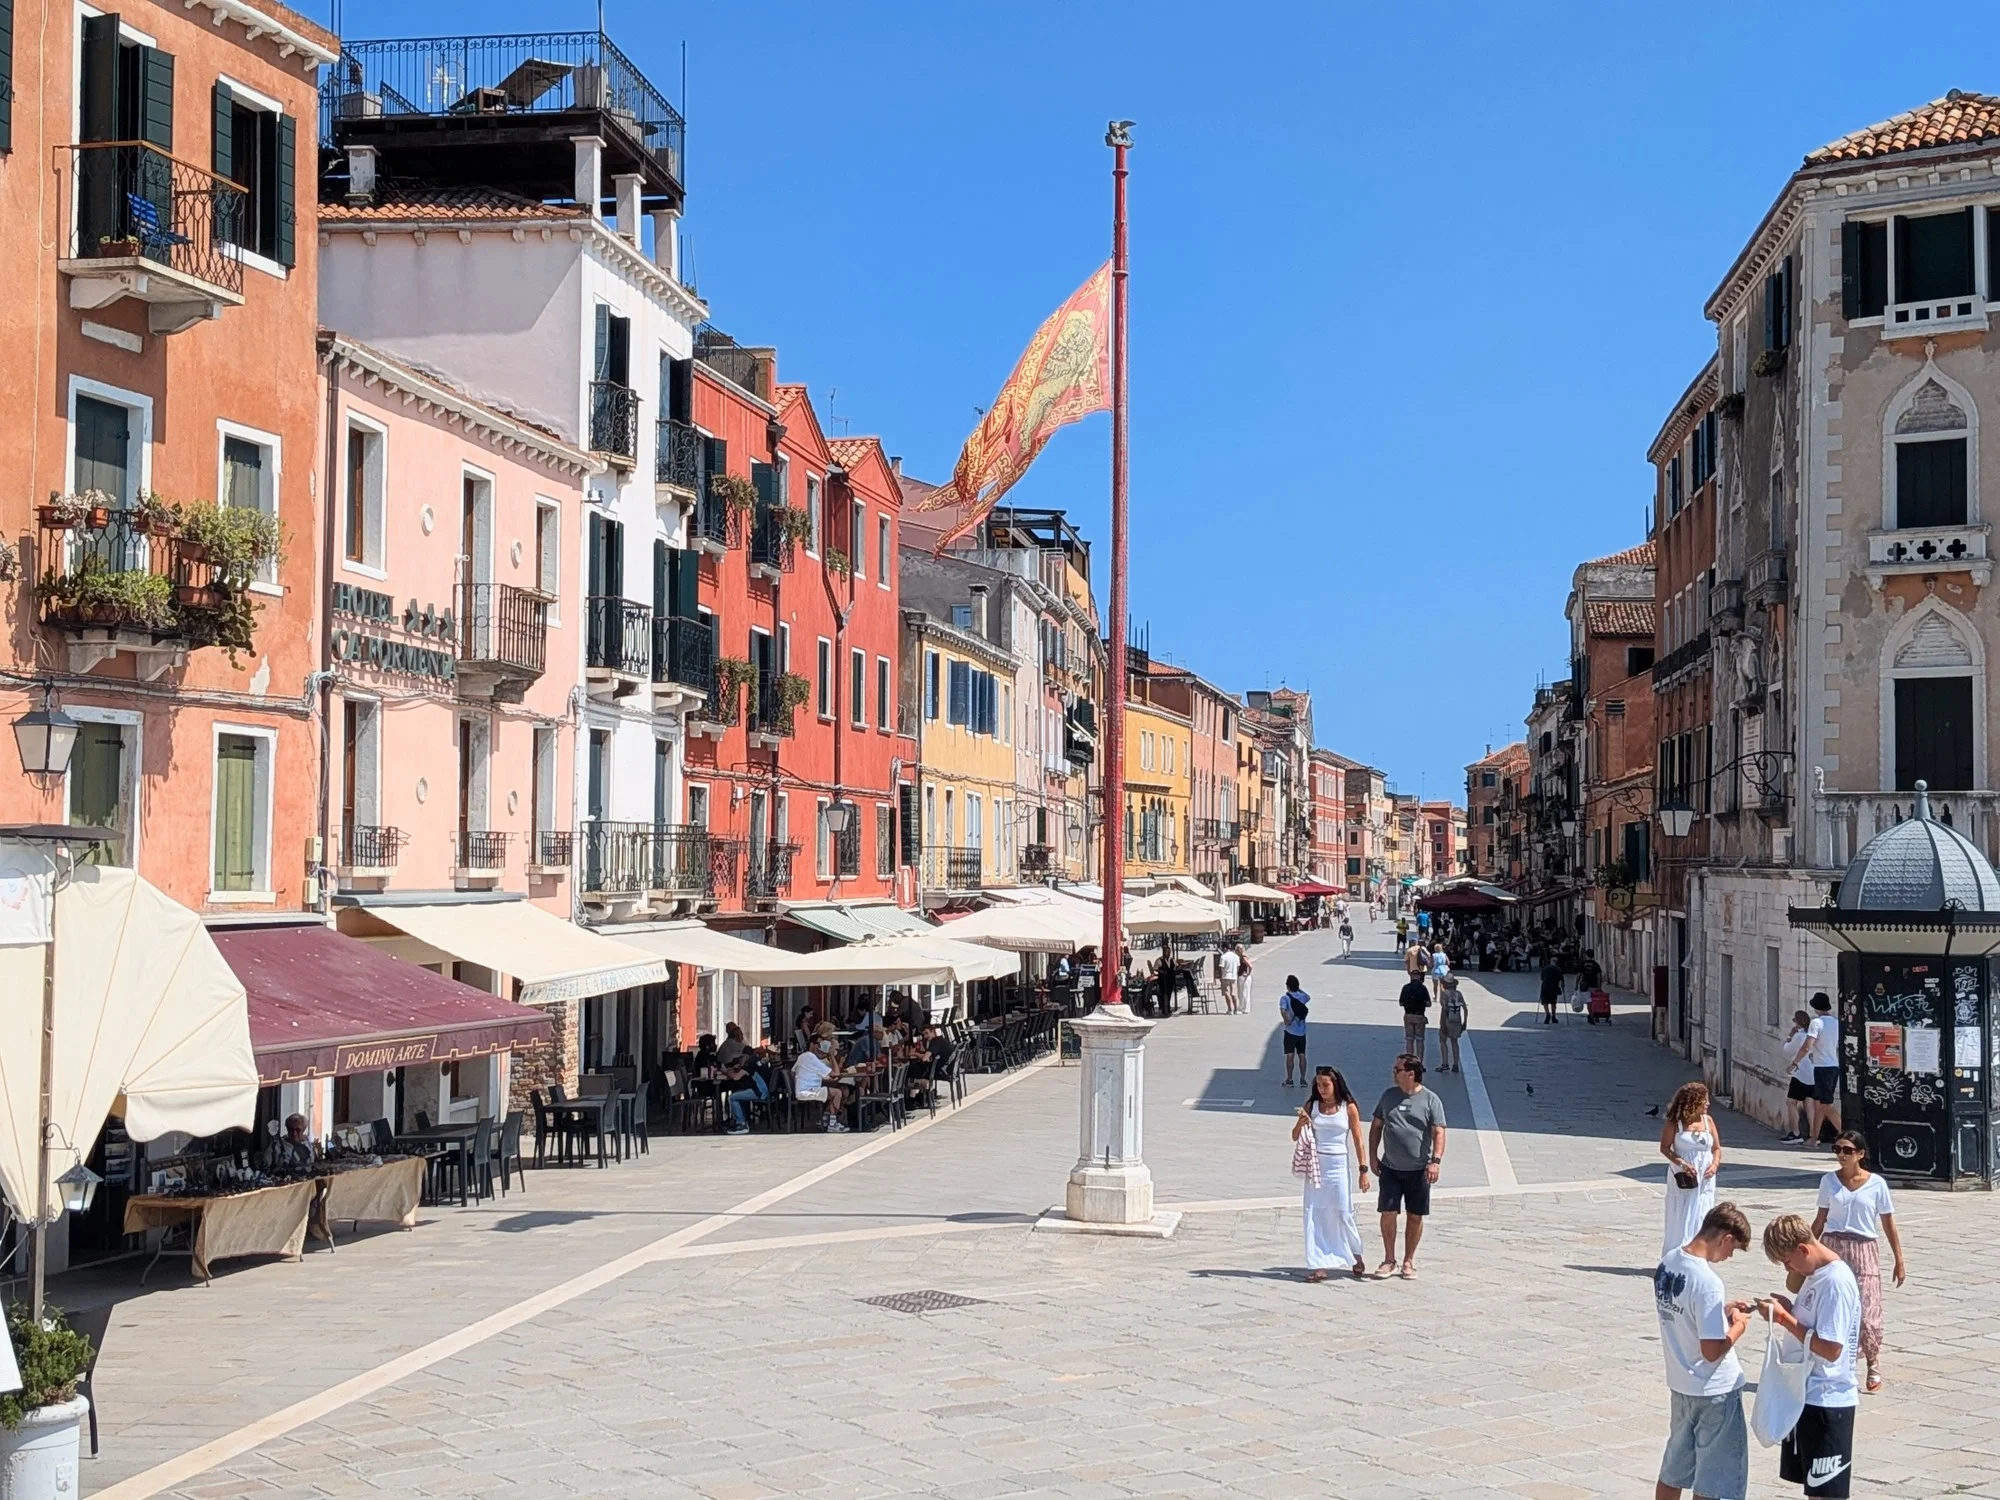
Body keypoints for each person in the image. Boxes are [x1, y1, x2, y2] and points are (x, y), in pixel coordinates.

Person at [1653, 1202, 1754, 1500]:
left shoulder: (1668, 1262)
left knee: (1673, 1471)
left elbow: (1686, 1314)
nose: (1729, 1256)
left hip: (1681, 1385)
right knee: (1716, 1481)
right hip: (1714, 1391)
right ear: (1724, 1238)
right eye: (1732, 1248)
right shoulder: (1708, 1282)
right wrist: (1738, 1327)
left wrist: (1720, 1312)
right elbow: (1712, 1350)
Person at [1757, 1214, 1862, 1500]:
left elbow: (1831, 1348)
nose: (1787, 1268)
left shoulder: (1835, 1283)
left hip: (1828, 1399)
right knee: (1814, 1490)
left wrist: (1784, 1319)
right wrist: (1788, 1308)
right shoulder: (1815, 1276)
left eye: (1787, 1261)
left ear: (1803, 1249)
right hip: (1808, 1394)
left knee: (1826, 1493)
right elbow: (1812, 1322)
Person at [1812, 1130, 1906, 1394]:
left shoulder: (1877, 1184)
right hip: (1833, 1246)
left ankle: (1873, 1361)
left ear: (1860, 1154)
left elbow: (1888, 1223)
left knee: (1867, 1308)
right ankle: (1836, 1361)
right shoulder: (1828, 1181)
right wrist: (1805, 1250)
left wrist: (1899, 1259)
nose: (1841, 1155)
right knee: (1832, 1305)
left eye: (1847, 1150)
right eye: (1837, 1149)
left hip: (1864, 1247)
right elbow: (1820, 1219)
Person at [1368, 1054, 1446, 1279]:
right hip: (1391, 1168)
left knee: (1415, 1215)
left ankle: (1408, 1261)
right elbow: (1376, 1127)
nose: (1393, 1073)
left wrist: (1435, 1161)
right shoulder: (1388, 1096)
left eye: (1397, 1070)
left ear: (1410, 1074)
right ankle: (1389, 1259)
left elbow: (1439, 1131)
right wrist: (1373, 1157)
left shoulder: (1431, 1100)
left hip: (1419, 1169)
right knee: (1388, 1212)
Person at [1292, 1066, 1371, 1282]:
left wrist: (1363, 1170)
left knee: (1343, 1211)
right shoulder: (1312, 1106)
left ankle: (1355, 1254)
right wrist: (1300, 1124)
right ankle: (1319, 1263)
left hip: (1338, 1164)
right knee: (1315, 1213)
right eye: (1318, 1085)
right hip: (1316, 1165)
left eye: (1326, 1084)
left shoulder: (1348, 1107)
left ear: (1335, 1084)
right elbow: (1294, 1136)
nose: (1322, 1089)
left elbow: (1358, 1139)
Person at [1659, 1082, 1722, 1258]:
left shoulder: (1708, 1122)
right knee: (1683, 1211)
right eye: (1704, 1101)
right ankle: (1677, 1252)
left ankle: (1698, 1252)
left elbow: (1716, 1148)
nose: (1708, 1104)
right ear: (1693, 1101)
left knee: (1702, 1211)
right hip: (1683, 1176)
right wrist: (1682, 1163)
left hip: (1705, 1177)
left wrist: (1714, 1164)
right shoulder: (1675, 1123)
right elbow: (1665, 1147)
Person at [793, 1023, 851, 1132]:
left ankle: (825, 1118)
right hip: (807, 1091)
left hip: (803, 1089)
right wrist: (831, 1055)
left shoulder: (802, 1056)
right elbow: (835, 1073)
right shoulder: (812, 1058)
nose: (820, 1047)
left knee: (832, 1090)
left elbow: (793, 1072)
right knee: (837, 1093)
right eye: (818, 1044)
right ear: (812, 1045)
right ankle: (833, 1124)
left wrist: (807, 1077)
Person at [1803, 992, 1842, 1148]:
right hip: (1833, 1065)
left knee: (1825, 1105)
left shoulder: (1816, 1023)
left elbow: (1807, 1045)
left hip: (1822, 1068)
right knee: (1818, 1104)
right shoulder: (1835, 1022)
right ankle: (1813, 1138)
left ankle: (1849, 1134)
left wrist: (1796, 1061)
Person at [1781, 1010, 1818, 1143]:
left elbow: (1787, 1049)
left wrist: (1790, 1036)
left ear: (1797, 1022)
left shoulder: (1799, 1036)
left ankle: (1795, 1132)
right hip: (1814, 1073)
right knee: (1809, 1104)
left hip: (1800, 1073)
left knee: (1791, 1102)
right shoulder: (1813, 1034)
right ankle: (1813, 1134)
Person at [720, 1050, 767, 1135]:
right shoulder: (757, 1061)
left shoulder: (749, 1065)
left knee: (733, 1097)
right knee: (739, 1093)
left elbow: (735, 1077)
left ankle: (741, 1124)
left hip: (759, 1092)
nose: (739, 1060)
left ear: (746, 1056)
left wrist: (725, 1071)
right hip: (765, 1090)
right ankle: (741, 1119)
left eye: (740, 1058)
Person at [1277, 976, 1310, 1084]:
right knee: (1302, 1055)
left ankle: (1290, 1079)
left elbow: (1283, 1010)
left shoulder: (1285, 998)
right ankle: (1303, 1079)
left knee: (1290, 1055)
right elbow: (1308, 997)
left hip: (1290, 1031)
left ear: (1287, 986)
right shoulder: (1302, 997)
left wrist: (1286, 1020)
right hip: (1302, 1031)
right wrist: (1298, 989)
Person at [1398, 969, 1432, 1065]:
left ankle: (1410, 1062)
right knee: (1420, 1040)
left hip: (1408, 1015)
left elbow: (1401, 1003)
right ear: (1420, 977)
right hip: (1419, 1016)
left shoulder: (1405, 988)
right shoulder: (1423, 988)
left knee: (1409, 1040)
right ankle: (1419, 1062)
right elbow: (1428, 1003)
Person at [1437, 978, 1467, 1074]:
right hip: (1457, 1020)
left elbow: (1444, 1010)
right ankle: (1455, 1064)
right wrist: (1464, 1022)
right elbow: (1465, 1009)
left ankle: (1445, 1064)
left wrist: (1442, 1024)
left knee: (1443, 1041)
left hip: (1447, 1020)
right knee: (1455, 1042)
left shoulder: (1444, 994)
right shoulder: (1459, 994)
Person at [1539, 954, 1564, 1025]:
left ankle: (1547, 1013)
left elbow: (1542, 978)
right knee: (1553, 1002)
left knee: (1545, 1001)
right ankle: (1553, 1016)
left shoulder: (1545, 968)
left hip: (1545, 987)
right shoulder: (1558, 969)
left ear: (1551, 962)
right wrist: (1563, 987)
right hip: (1554, 987)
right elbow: (1561, 980)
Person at [1217, 944, 1242, 1015]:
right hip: (1233, 976)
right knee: (1234, 993)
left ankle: (1230, 1009)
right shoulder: (1236, 956)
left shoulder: (1223, 957)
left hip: (1225, 976)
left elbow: (1221, 968)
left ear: (1225, 948)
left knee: (1227, 993)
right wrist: (1235, 973)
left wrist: (1221, 977)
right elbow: (1238, 967)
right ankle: (1236, 1009)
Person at [1235, 944, 1255, 1012]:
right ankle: (1243, 1007)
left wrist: (1248, 973)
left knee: (1244, 992)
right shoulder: (1241, 957)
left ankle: (1244, 1008)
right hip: (1242, 976)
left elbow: (1250, 966)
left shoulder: (1243, 957)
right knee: (1242, 992)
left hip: (1244, 976)